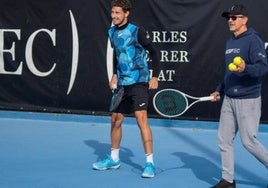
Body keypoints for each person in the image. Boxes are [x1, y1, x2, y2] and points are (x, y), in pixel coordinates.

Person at [92, 0, 160, 178]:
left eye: (117, 13)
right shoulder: (111, 31)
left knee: (141, 119)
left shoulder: (137, 31)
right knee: (115, 120)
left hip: (139, 82)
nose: (114, 16)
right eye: (112, 12)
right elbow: (117, 53)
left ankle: (150, 163)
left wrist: (155, 76)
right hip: (122, 83)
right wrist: (115, 74)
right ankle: (114, 159)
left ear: (126, 13)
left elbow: (154, 52)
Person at [210, 4, 268, 188]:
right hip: (229, 98)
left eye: (234, 17)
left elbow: (262, 68)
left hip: (248, 99)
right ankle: (228, 180)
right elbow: (229, 74)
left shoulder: (253, 40)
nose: (230, 20)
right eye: (229, 17)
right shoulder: (230, 42)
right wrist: (219, 89)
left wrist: (246, 68)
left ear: (244, 19)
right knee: (223, 139)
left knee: (249, 142)